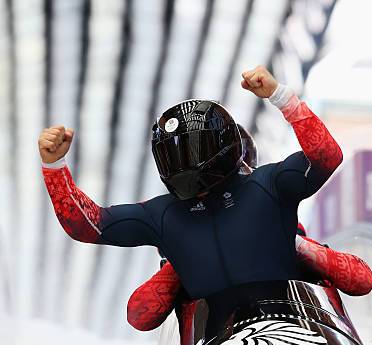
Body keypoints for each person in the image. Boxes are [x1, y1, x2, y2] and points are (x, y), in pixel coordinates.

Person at [39, 65, 343, 324]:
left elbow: (326, 157)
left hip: (297, 327)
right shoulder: (163, 214)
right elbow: (87, 225)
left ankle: (302, 251)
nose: (184, 165)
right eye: (174, 155)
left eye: (193, 152)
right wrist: (54, 166)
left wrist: (281, 96)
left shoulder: (268, 184)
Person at [126, 221, 372, 331]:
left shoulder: (288, 240)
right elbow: (139, 317)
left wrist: (295, 246)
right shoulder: (185, 261)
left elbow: (363, 280)